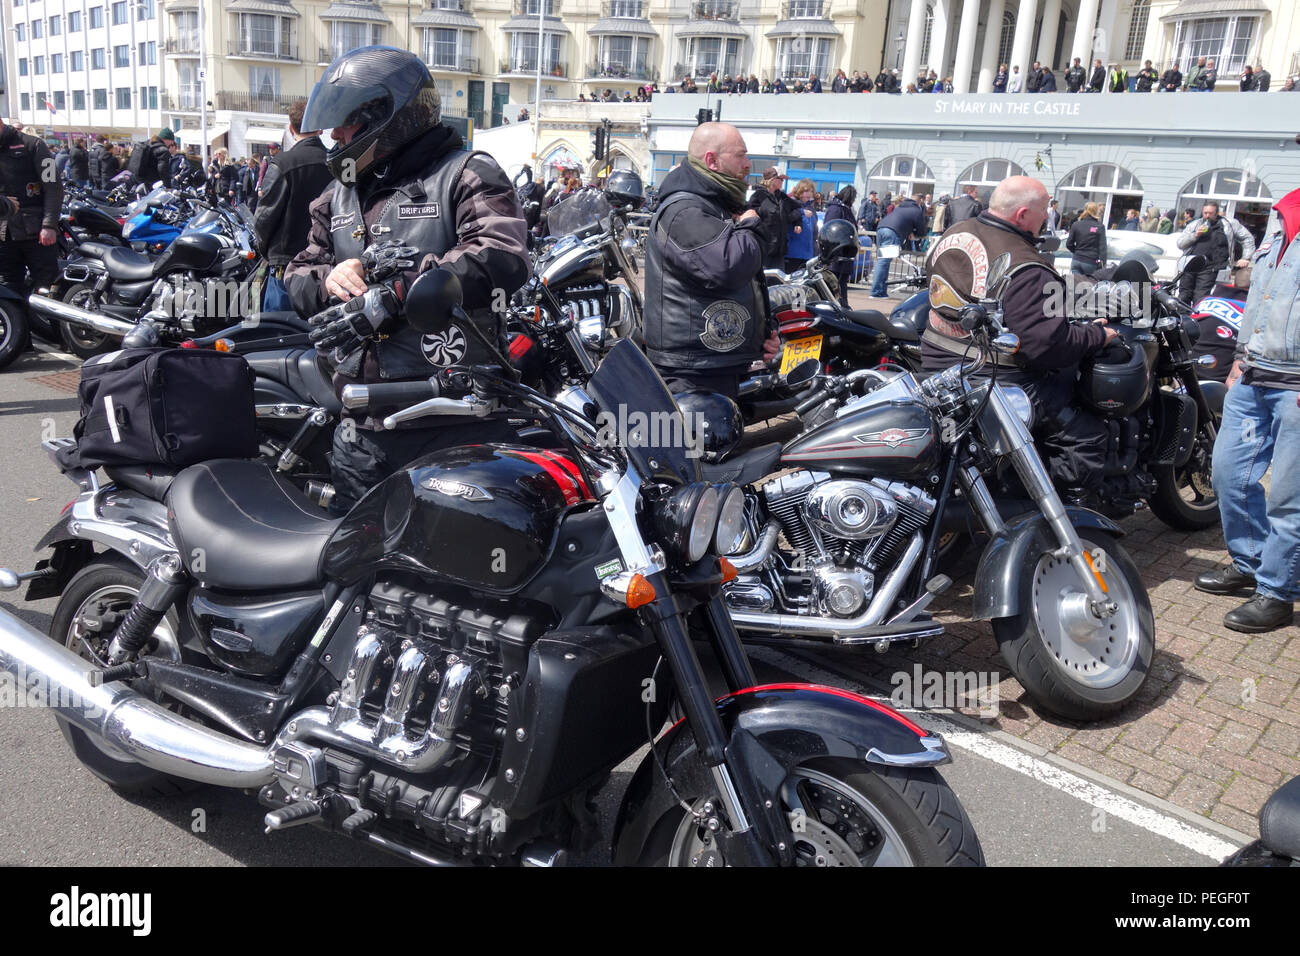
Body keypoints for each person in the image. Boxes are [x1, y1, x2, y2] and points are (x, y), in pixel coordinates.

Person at [284, 46, 529, 510]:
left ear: (389, 116)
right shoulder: (338, 194)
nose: (335, 135)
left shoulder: (465, 172)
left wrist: (400, 292)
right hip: (363, 426)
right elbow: (297, 274)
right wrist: (327, 279)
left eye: (347, 121)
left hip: (454, 421)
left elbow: (502, 254)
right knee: (354, 570)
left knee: (464, 573)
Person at [923, 176, 1117, 499]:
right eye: (1045, 210)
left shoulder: (955, 234)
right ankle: (1058, 514)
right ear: (1023, 214)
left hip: (938, 362)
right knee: (1088, 432)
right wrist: (1097, 334)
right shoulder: (1023, 263)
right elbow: (1046, 346)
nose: (1047, 217)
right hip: (993, 377)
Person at [1198, 185, 1300, 632]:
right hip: (1255, 371)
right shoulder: (1284, 212)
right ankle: (1251, 562)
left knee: (1289, 497)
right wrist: (1241, 355)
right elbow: (1262, 292)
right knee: (1227, 473)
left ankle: (1278, 592)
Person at [641, 121, 779, 399]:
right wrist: (751, 226)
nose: (748, 164)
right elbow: (727, 268)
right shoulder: (685, 211)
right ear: (711, 160)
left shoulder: (713, 204)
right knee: (694, 443)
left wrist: (762, 332)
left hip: (710, 363)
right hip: (690, 373)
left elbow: (738, 282)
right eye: (740, 155)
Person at [253, 99, 334, 313]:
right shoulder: (337, 163)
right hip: (326, 268)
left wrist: (266, 253)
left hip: (286, 265)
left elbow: (263, 220)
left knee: (278, 336)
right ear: (320, 128)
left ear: (291, 129)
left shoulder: (282, 163)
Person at [0, 117, 62, 299]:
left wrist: (49, 225)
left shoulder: (34, 145)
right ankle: (17, 326)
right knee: (7, 289)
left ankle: (53, 327)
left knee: (47, 286)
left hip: (36, 233)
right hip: (4, 233)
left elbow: (54, 187)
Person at [1176, 200, 1255, 304]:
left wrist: (1246, 257)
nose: (1207, 216)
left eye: (1210, 213)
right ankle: (1182, 318)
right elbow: (1180, 244)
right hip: (1190, 264)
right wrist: (1195, 235)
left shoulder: (1229, 224)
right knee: (1184, 295)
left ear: (1217, 213)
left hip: (1211, 267)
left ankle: (1197, 319)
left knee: (1200, 297)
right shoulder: (1195, 224)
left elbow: (1247, 238)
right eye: (1205, 213)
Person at [869, 191, 925, 296]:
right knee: (883, 262)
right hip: (893, 232)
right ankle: (875, 292)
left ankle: (880, 292)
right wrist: (914, 233)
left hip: (881, 229)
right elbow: (921, 231)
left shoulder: (900, 207)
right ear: (920, 202)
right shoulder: (916, 210)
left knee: (883, 262)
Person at [823, 185, 857, 307]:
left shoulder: (844, 209)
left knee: (841, 282)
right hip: (837, 252)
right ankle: (838, 305)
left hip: (845, 252)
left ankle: (843, 305)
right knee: (834, 282)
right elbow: (831, 229)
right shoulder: (836, 209)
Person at [784, 178, 817, 273]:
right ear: (799, 191)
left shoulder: (811, 208)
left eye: (811, 191)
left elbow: (814, 233)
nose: (809, 194)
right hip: (792, 253)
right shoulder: (791, 204)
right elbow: (786, 218)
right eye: (806, 191)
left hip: (808, 255)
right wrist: (801, 212)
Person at [1066, 201, 1106, 274]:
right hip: (1090, 261)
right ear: (1096, 211)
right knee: (1089, 284)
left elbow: (1069, 244)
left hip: (1076, 260)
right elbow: (1103, 248)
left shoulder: (1076, 225)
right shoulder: (1099, 226)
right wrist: (1103, 264)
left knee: (1076, 284)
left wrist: (1077, 251)